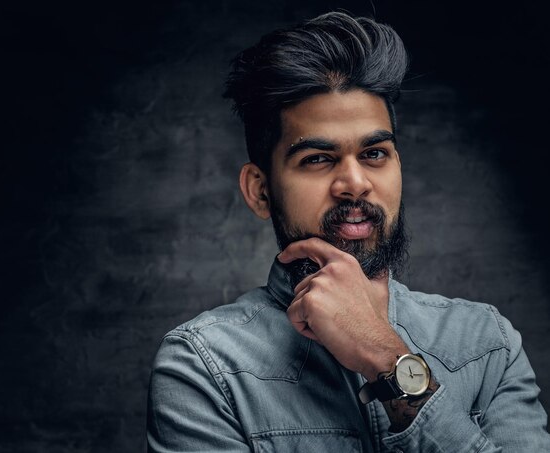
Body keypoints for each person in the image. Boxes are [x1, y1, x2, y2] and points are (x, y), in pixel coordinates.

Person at [146, 11, 550, 452]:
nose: (355, 183)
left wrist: (384, 356)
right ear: (260, 191)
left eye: (375, 153)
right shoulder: (205, 365)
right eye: (318, 158)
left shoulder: (487, 344)